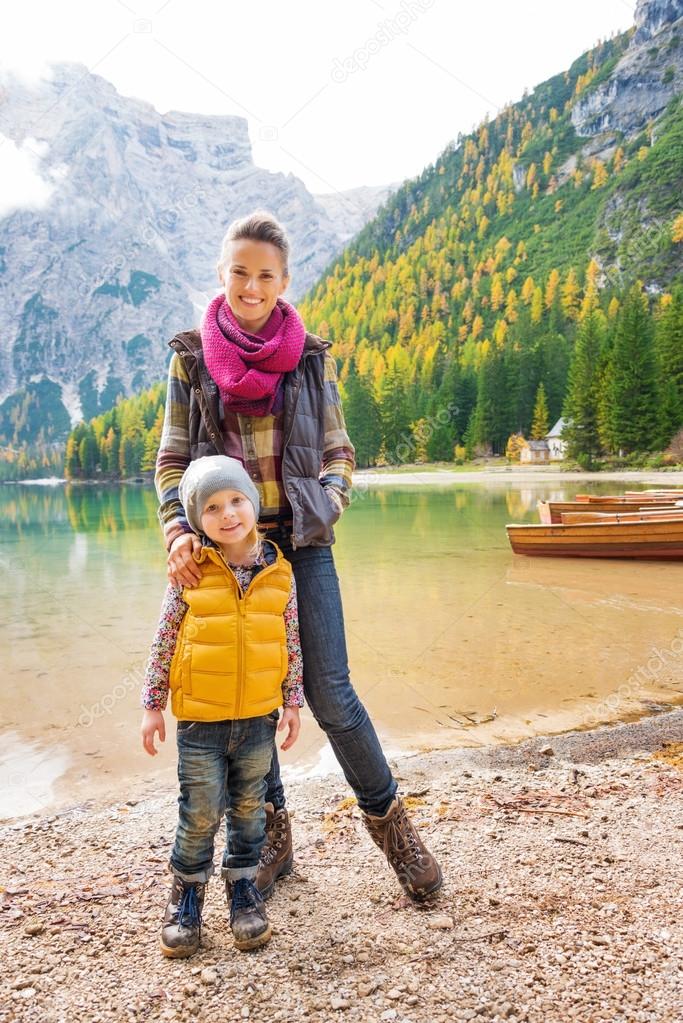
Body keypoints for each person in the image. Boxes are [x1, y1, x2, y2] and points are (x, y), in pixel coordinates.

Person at [155, 209, 442, 902]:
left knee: (330, 692)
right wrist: (176, 531)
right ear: (221, 275)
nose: (250, 286)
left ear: (283, 282)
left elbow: (339, 450)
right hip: (226, 552)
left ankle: (395, 831)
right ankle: (273, 838)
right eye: (239, 272)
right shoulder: (191, 358)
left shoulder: (310, 355)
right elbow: (170, 461)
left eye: (265, 275)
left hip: (304, 544)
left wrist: (331, 499)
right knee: (248, 697)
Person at [140, 455, 303, 957]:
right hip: (199, 723)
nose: (227, 514)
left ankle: (243, 889)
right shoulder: (190, 573)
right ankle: (186, 896)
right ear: (196, 519)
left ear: (252, 504)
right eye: (212, 507)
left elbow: (291, 641)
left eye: (236, 500)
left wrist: (292, 701)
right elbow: (164, 639)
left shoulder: (280, 573)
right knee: (200, 812)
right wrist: (152, 705)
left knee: (250, 810)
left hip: (257, 719)